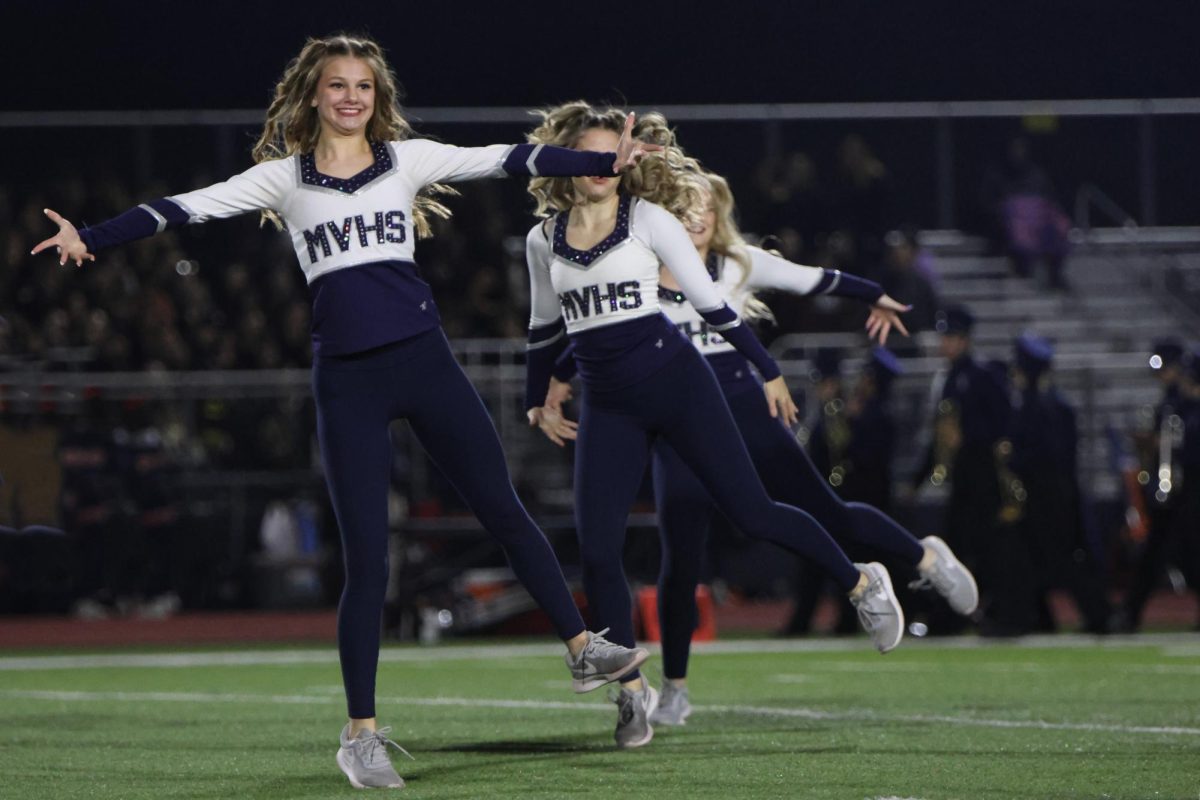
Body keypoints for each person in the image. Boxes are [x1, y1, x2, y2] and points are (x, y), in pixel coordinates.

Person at [30, 34, 656, 790]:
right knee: (369, 561)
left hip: (426, 363)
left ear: (376, 95)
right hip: (348, 382)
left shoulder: (408, 159)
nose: (351, 96)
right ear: (314, 95)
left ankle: (583, 646)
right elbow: (179, 210)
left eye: (363, 84)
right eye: (337, 85)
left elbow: (508, 158)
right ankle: (360, 735)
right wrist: (87, 237)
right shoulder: (282, 179)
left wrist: (597, 163)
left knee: (504, 509)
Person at [521, 102, 909, 749]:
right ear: (563, 161)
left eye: (608, 156)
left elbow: (713, 306)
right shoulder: (542, 239)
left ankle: (862, 580)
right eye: (586, 155)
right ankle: (633, 694)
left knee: (753, 511)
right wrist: (541, 397)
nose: (599, 167)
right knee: (597, 550)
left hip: (678, 384)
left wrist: (768, 371)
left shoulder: (647, 219)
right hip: (609, 404)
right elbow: (543, 329)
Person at [548, 170, 977, 726]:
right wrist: (555, 378)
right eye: (685, 207)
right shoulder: (637, 266)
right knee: (680, 556)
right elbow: (593, 332)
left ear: (720, 212)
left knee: (825, 511)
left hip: (745, 411)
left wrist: (874, 294)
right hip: (680, 418)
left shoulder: (738, 263)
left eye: (706, 206)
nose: (696, 217)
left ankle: (924, 557)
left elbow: (811, 279)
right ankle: (675, 687)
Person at [913, 305, 1012, 634]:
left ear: (965, 339)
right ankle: (949, 619)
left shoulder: (982, 376)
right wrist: (920, 476)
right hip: (962, 479)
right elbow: (940, 434)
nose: (946, 344)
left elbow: (1002, 424)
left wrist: (967, 435)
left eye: (952, 338)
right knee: (956, 549)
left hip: (983, 475)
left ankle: (997, 615)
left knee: (989, 550)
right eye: (945, 338)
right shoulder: (949, 379)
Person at [1009, 334, 1110, 633]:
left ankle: (1097, 615)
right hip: (1053, 493)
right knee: (1035, 558)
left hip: (1048, 496)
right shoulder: (1052, 403)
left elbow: (1044, 454)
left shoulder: (1039, 406)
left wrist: (1014, 458)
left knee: (1060, 559)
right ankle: (1042, 617)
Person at [1117, 339, 1200, 631]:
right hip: (1172, 488)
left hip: (1191, 487)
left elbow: (1185, 444)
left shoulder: (1186, 404)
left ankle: (1130, 613)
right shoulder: (1171, 401)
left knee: (1188, 552)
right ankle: (1130, 613)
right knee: (1156, 551)